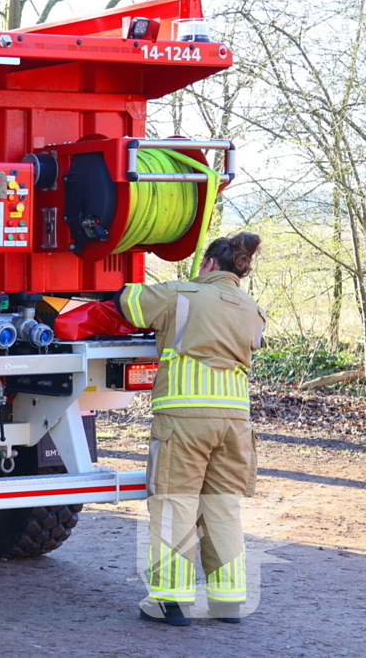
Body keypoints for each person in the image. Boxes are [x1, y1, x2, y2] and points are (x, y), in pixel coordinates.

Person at [115, 232, 266, 626]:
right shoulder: (252, 308)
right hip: (235, 423)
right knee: (222, 507)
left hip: (184, 419)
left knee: (174, 502)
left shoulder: (181, 293)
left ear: (211, 264)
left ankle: (170, 601)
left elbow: (128, 302)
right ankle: (228, 600)